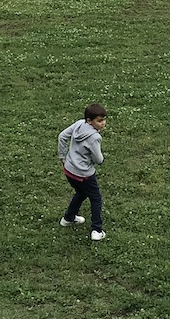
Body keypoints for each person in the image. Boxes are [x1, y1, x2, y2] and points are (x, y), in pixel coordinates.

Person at [58, 103, 108, 241]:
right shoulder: (94, 137)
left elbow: (62, 136)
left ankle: (68, 218)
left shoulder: (79, 124)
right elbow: (98, 159)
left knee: (81, 193)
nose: (103, 123)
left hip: (69, 170)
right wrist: (100, 160)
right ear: (89, 120)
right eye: (99, 121)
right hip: (84, 174)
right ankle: (97, 230)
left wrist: (62, 157)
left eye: (104, 119)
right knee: (95, 198)